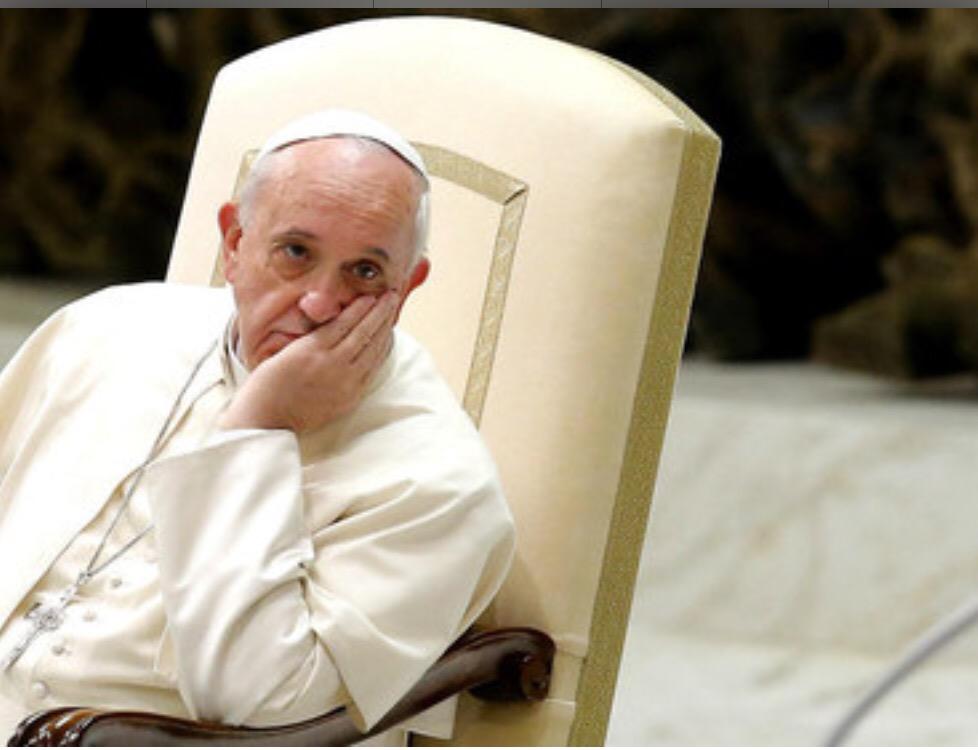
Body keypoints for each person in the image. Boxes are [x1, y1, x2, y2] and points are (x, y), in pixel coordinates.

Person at [0, 110, 515, 744]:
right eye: (296, 253)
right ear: (234, 243)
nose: (319, 304)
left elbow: (263, 705)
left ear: (407, 286)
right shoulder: (105, 330)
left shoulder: (441, 482)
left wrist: (257, 427)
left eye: (364, 272)